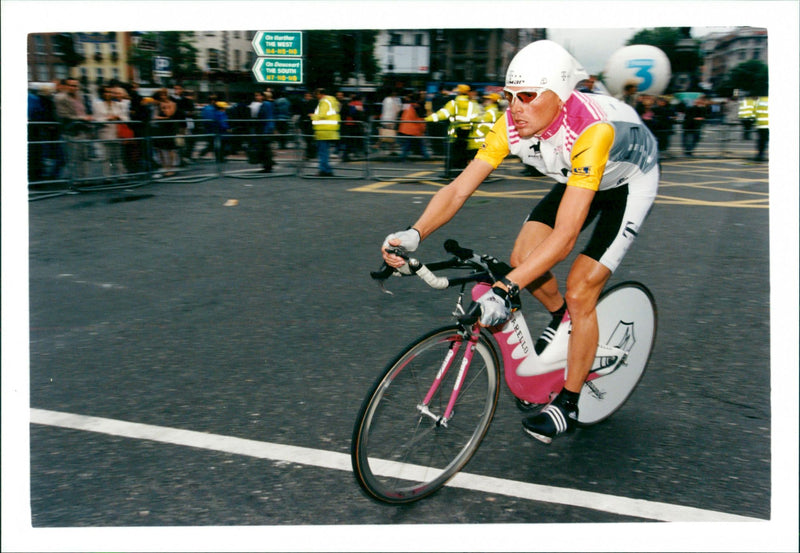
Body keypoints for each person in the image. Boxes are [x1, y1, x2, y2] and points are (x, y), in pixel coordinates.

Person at [381, 40, 659, 444]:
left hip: (629, 180)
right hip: (581, 174)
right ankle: (562, 317)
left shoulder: (590, 130)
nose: (515, 107)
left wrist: (505, 288)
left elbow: (564, 238)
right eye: (509, 96)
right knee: (522, 258)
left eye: (527, 96)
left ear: (560, 97)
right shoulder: (510, 124)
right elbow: (459, 189)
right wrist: (415, 231)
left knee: (582, 287)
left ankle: (568, 402)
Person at [425, 83, 482, 177]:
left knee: (451, 153)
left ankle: (449, 173)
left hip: (455, 132)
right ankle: (461, 174)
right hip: (467, 133)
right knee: (463, 154)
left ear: (459, 92)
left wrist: (428, 119)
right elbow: (477, 118)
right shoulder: (473, 104)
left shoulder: (454, 103)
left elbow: (442, 114)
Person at [54, 78, 93, 179]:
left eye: (75, 86)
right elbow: (64, 115)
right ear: (66, 87)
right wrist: (82, 118)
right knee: (73, 159)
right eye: (71, 85)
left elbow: (83, 111)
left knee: (83, 157)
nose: (74, 88)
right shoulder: (60, 98)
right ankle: (75, 181)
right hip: (70, 132)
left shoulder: (80, 97)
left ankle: (84, 179)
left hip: (82, 130)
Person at [92, 84, 129, 180]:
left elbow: (125, 117)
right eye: (106, 92)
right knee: (106, 157)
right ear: (102, 93)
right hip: (104, 133)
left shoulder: (118, 104)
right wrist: (108, 118)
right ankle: (107, 177)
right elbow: (96, 119)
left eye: (110, 92)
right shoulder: (97, 105)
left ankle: (120, 175)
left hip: (116, 133)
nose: (108, 94)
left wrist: (118, 117)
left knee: (117, 156)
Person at [310, 87, 340, 176]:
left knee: (322, 151)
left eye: (317, 94)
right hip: (331, 129)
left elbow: (322, 115)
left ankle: (324, 170)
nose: (316, 96)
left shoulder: (324, 101)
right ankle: (327, 169)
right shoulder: (332, 100)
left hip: (323, 129)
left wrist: (312, 116)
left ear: (320, 94)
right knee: (325, 151)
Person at [397, 91, 430, 161]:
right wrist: (423, 128)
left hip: (406, 127)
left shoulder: (409, 106)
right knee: (417, 143)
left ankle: (403, 157)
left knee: (408, 143)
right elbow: (420, 119)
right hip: (414, 129)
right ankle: (426, 156)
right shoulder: (418, 107)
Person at [255, 90, 276, 172]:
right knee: (266, 147)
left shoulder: (266, 104)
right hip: (267, 128)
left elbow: (265, 117)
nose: (257, 97)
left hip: (265, 129)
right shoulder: (269, 104)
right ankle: (268, 164)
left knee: (265, 148)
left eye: (258, 95)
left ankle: (267, 165)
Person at [753, 96, 768, 162]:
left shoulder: (759, 101)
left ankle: (760, 155)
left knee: (761, 140)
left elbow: (754, 112)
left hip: (761, 123)